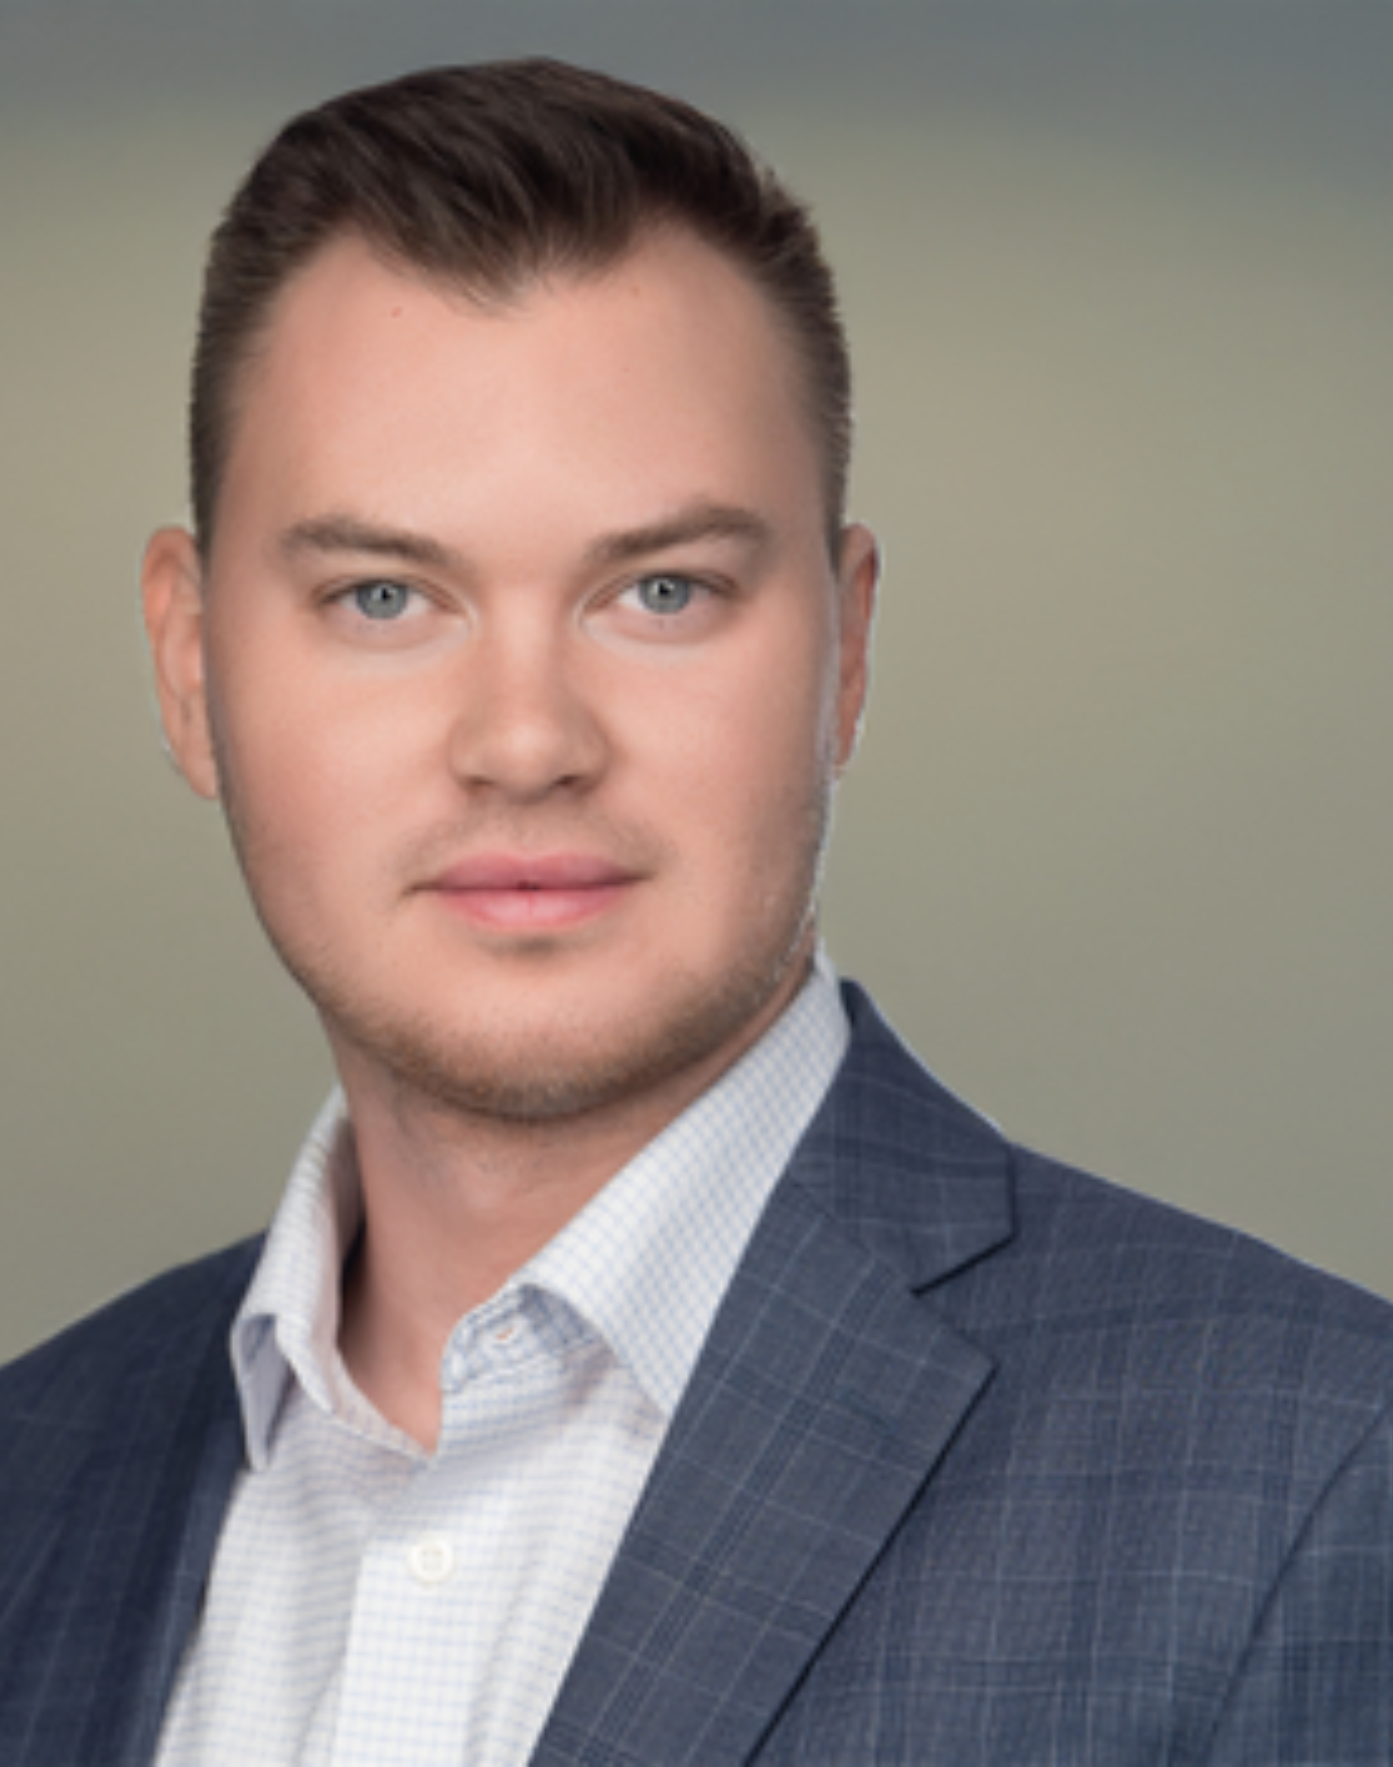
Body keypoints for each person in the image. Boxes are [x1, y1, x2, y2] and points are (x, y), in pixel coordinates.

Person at [0, 57, 1389, 1767]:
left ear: (846, 648)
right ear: (191, 662)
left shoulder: (1314, 1474)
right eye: (382, 594)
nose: (525, 741)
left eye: (661, 590)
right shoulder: (31, 1478)